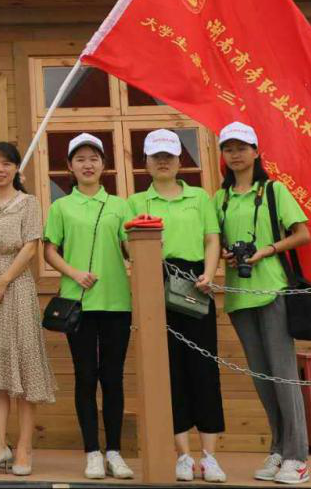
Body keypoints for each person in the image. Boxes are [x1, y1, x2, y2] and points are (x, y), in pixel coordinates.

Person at [215, 122, 311, 486]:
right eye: (228, 149)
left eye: (242, 147)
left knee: (283, 374)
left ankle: (297, 456)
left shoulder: (273, 190)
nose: (235, 154)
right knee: (262, 377)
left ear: (256, 151)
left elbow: (303, 234)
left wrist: (267, 250)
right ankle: (278, 447)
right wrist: (226, 254)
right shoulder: (220, 198)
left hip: (273, 290)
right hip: (239, 296)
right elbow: (214, 241)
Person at [127, 129, 225, 484]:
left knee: (204, 368)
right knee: (169, 371)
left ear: (180, 161)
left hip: (197, 284)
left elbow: (212, 239)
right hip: (156, 285)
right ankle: (182, 454)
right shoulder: (137, 202)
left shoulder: (199, 197)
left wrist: (209, 273)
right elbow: (129, 246)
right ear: (146, 162)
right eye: (157, 156)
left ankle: (210, 456)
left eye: (169, 155)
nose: (163, 161)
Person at [42, 132, 134, 481]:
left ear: (103, 165)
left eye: (93, 158)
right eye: (80, 159)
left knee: (112, 377)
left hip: (117, 302)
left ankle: (114, 452)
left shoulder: (120, 206)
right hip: (77, 304)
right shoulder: (61, 207)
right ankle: (92, 452)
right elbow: (49, 250)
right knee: (85, 376)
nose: (87, 164)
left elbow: (131, 247)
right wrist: (74, 273)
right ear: (70, 166)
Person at [0, 142, 55, 477]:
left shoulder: (27, 203)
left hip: (15, 288)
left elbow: (31, 247)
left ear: (17, 168)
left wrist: (3, 281)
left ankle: (24, 447)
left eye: (6, 163)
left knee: (24, 365)